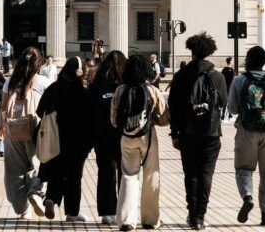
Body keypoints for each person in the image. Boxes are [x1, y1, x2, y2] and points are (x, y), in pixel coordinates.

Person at [168, 32, 228, 231]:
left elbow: (173, 107)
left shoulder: (181, 76)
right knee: (206, 175)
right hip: (211, 133)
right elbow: (224, 104)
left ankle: (192, 215)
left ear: (191, 51)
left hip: (187, 132)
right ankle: (201, 216)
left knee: (190, 174)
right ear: (210, 52)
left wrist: (175, 133)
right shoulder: (217, 76)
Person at [228, 46, 265, 227]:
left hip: (246, 130)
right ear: (264, 63)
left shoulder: (239, 80)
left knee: (244, 168)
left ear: (248, 61)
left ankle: (247, 196)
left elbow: (232, 108)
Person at [112, 54, 169, 231]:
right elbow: (165, 117)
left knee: (129, 175)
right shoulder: (152, 90)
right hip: (148, 136)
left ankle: (127, 220)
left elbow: (114, 120)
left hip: (127, 137)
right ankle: (150, 219)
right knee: (151, 175)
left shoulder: (120, 90)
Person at [37, 57, 93, 222]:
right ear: (78, 71)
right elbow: (88, 118)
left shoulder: (53, 88)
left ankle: (51, 199)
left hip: (55, 140)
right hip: (76, 142)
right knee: (74, 177)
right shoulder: (81, 91)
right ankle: (72, 212)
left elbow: (40, 111)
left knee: (56, 171)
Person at [1, 46, 51, 219]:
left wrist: (2, 126)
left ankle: (21, 209)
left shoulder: (10, 81)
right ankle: (36, 193)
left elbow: (3, 106)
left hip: (13, 128)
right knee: (39, 163)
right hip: (36, 129)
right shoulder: (44, 82)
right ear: (39, 65)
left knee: (14, 169)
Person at [88, 50, 127, 226]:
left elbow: (88, 109)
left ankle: (106, 211)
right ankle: (123, 210)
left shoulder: (96, 84)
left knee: (105, 172)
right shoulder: (125, 85)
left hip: (101, 136)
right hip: (122, 135)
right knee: (125, 173)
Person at [221, 57, 236, 122]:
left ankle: (227, 116)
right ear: (230, 61)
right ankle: (225, 116)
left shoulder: (224, 69)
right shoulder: (232, 70)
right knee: (228, 102)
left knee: (226, 102)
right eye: (233, 61)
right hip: (230, 88)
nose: (233, 62)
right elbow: (234, 80)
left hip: (224, 88)